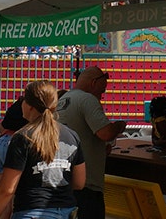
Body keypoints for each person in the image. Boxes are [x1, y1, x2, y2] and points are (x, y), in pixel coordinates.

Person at [0, 80, 85, 219]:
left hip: (31, 210)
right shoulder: (72, 135)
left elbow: (7, 190)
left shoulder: (23, 137)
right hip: (66, 211)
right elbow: (79, 183)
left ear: (30, 106)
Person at [57, 66, 125, 219]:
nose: (104, 93)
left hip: (64, 179)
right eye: (103, 88)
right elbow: (106, 133)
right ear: (94, 82)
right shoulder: (87, 99)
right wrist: (119, 125)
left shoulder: (63, 100)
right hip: (87, 184)